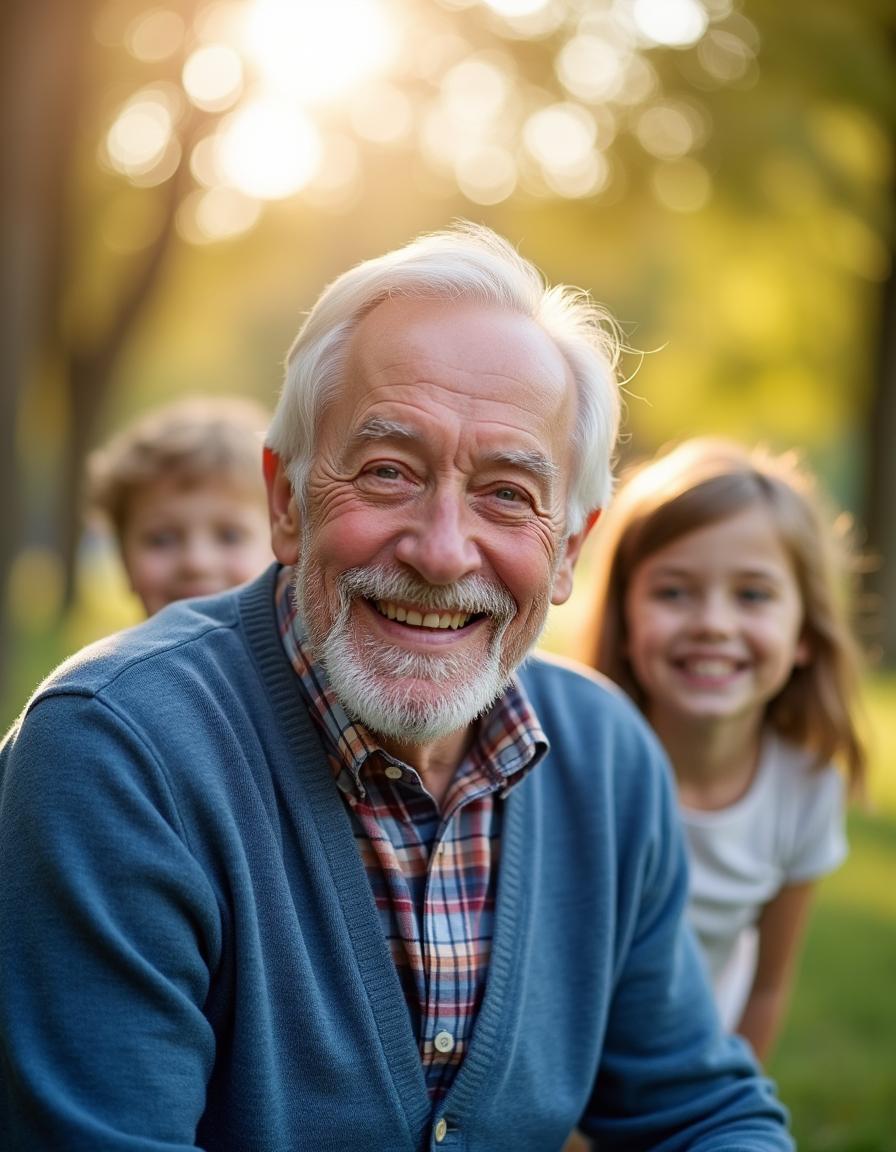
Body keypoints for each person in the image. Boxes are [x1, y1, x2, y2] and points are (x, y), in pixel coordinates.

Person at [0, 225, 793, 1150]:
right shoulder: (115, 750)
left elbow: (701, 1110)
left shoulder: (610, 760)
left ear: (570, 548)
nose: (443, 550)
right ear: (286, 503)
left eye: (506, 492)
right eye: (388, 472)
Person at [588, 436, 866, 1062]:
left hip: (685, 1067)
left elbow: (766, 989)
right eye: (674, 592)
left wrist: (722, 1110)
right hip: (559, 1066)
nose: (713, 622)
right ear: (624, 621)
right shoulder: (584, 763)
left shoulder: (806, 784)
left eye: (753, 595)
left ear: (805, 632)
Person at [87, 395, 273, 615]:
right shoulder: (107, 651)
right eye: (162, 539)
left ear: (282, 546)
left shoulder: (310, 649)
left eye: (230, 536)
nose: (197, 562)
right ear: (123, 558)